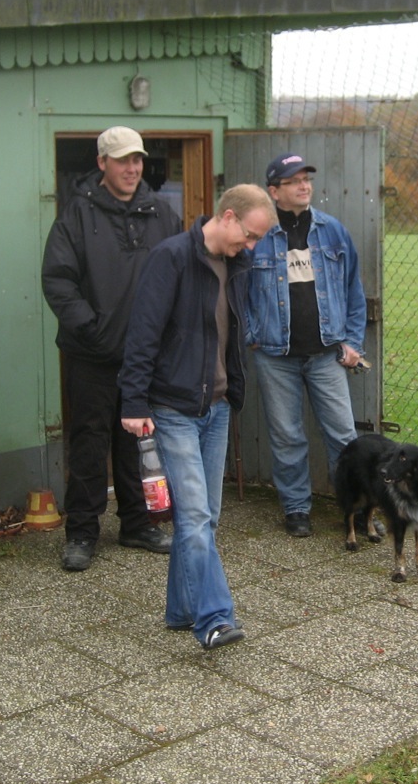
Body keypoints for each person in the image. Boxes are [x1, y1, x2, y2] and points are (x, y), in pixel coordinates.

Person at [119, 184, 278, 650]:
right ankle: (214, 618)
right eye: (249, 236)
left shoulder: (236, 265)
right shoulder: (171, 258)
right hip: (174, 409)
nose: (251, 247)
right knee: (193, 516)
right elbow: (142, 333)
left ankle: (180, 609)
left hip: (218, 407)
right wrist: (134, 402)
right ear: (227, 217)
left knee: (204, 520)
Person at [42, 126, 183, 571]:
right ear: (102, 163)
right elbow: (57, 280)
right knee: (89, 444)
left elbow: (181, 276)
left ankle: (137, 524)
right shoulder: (76, 214)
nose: (132, 168)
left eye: (137, 159)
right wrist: (92, 328)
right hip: (92, 355)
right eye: (122, 160)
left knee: (138, 445)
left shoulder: (162, 214)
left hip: (144, 358)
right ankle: (82, 533)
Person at [245, 153, 368, 537]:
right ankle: (296, 508)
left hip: (326, 354)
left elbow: (353, 291)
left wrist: (352, 341)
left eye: (306, 179)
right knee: (287, 437)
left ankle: (355, 511)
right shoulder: (259, 236)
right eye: (294, 181)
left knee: (344, 437)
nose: (304, 186)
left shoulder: (333, 231)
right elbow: (238, 291)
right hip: (275, 356)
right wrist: (252, 334)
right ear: (274, 191)